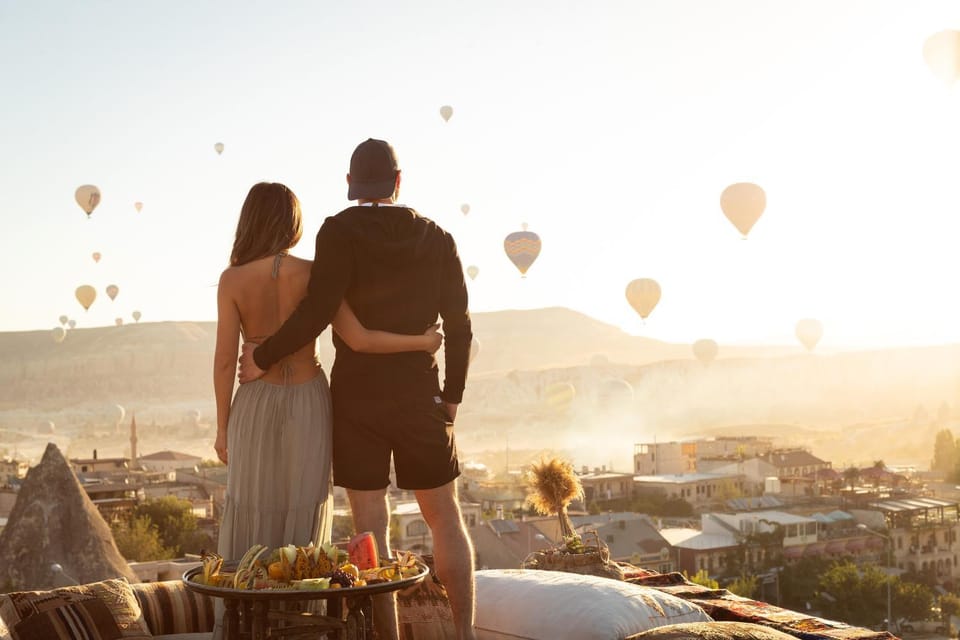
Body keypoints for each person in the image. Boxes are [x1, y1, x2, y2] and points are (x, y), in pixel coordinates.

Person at [238, 139, 476, 640]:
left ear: (350, 183)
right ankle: (464, 634)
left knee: (371, 527)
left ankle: (387, 636)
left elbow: (317, 310)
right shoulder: (438, 237)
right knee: (445, 519)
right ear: (398, 181)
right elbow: (459, 326)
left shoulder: (338, 230)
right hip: (419, 392)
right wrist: (451, 394)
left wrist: (262, 356)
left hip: (356, 399)